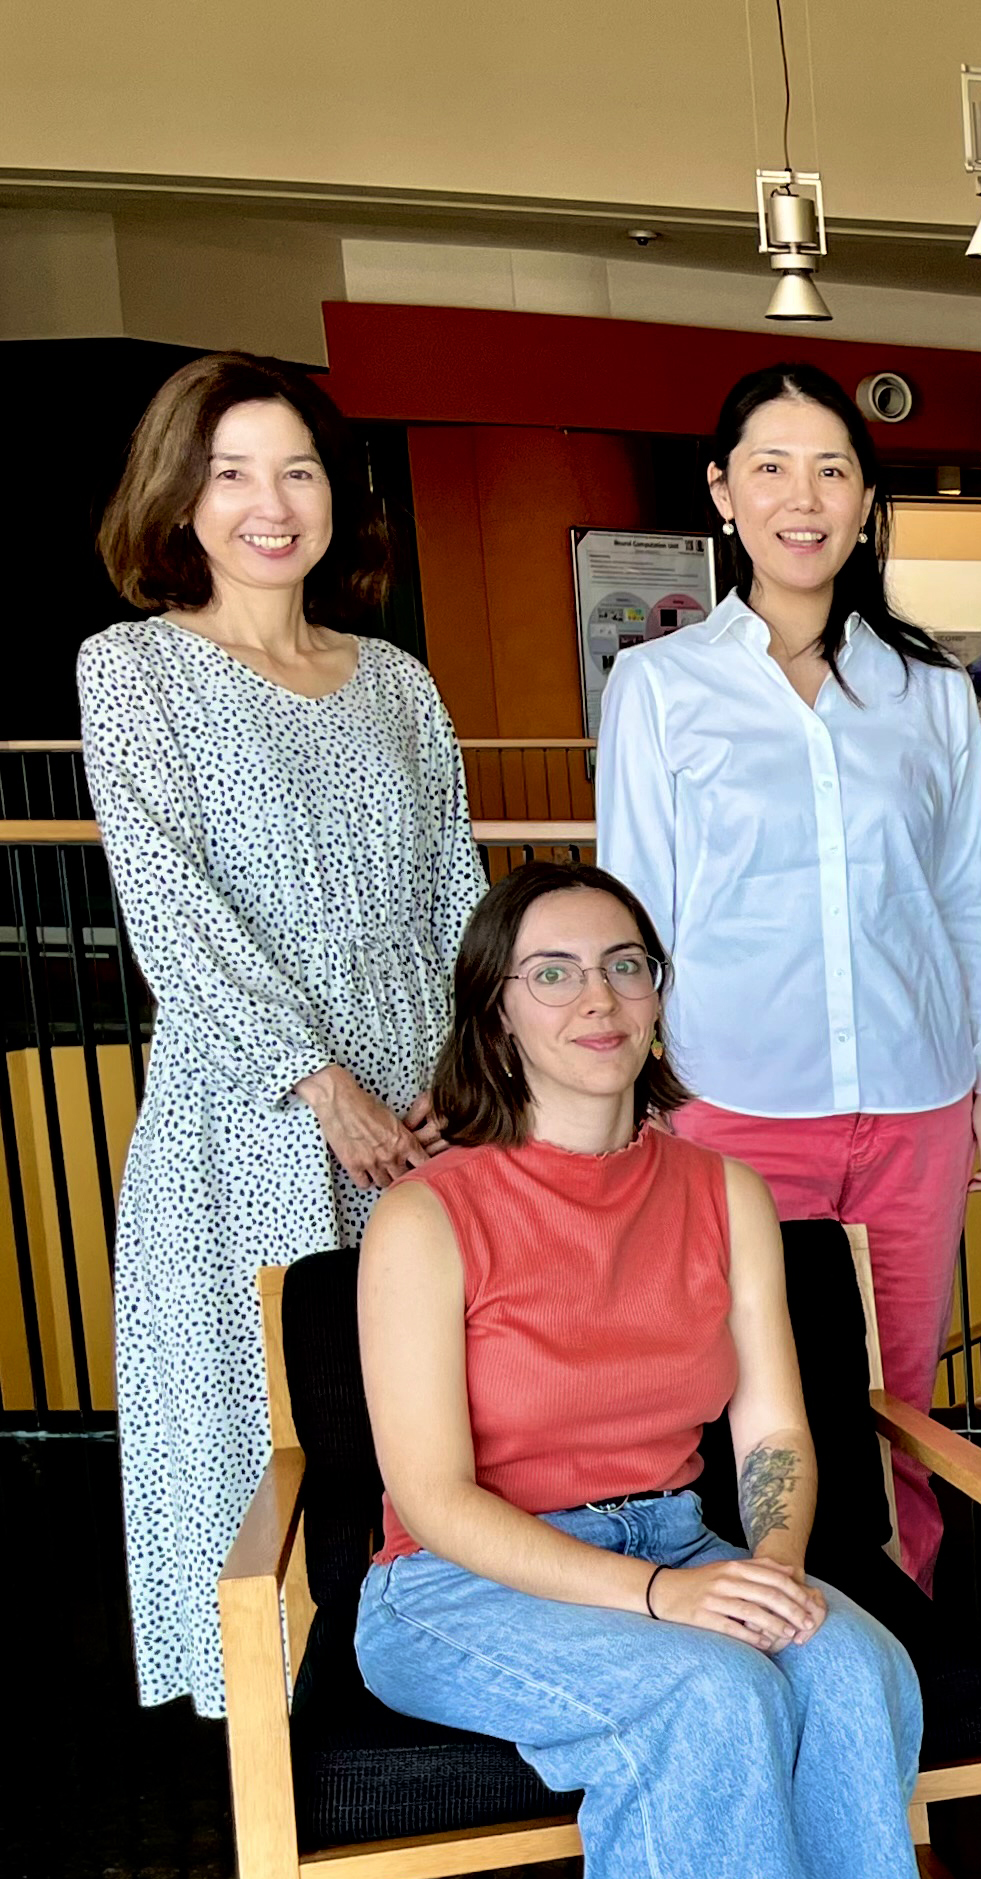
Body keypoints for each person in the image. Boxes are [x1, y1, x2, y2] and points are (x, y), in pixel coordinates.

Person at [355, 864, 946, 1879]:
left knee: (848, 1668)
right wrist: (666, 1601)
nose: (598, 997)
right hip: (464, 1580)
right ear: (496, 1014)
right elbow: (433, 1496)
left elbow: (773, 1430)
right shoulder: (428, 1213)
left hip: (678, 1534)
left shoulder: (721, 1191)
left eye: (626, 964)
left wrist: (773, 1572)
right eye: (553, 972)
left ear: (659, 993)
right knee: (702, 1696)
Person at [598, 363, 981, 1591]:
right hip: (731, 1102)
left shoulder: (928, 687)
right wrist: (629, 1096)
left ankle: (911, 1624)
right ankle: (763, 1624)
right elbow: (633, 913)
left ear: (863, 501)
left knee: (902, 1394)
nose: (803, 499)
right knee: (740, 1396)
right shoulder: (660, 685)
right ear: (722, 492)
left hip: (916, 1100)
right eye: (771, 468)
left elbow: (970, 894)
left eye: (832, 470)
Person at [77, 353, 486, 1714]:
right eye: (232, 472)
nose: (271, 503)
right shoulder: (131, 669)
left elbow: (454, 888)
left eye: (298, 470)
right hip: (247, 1120)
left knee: (431, 1410)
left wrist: (462, 1071)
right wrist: (318, 1082)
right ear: (178, 497)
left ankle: (438, 1692)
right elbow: (168, 900)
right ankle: (282, 1740)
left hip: (421, 1115)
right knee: (261, 1421)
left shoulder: (397, 681)